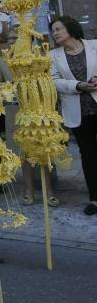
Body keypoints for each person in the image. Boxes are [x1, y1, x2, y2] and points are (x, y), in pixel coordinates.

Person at [0, 27, 57, 207]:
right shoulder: (2, 60)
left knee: (44, 150)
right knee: (24, 152)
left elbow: (49, 82)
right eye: (9, 38)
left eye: (17, 37)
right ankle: (28, 189)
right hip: (16, 110)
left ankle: (49, 190)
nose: (12, 41)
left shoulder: (38, 58)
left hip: (39, 110)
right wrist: (10, 89)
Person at [50, 15, 97, 215]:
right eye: (53, 30)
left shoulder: (94, 45)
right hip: (79, 112)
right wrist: (78, 85)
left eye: (58, 29)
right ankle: (95, 199)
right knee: (88, 155)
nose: (55, 33)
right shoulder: (54, 55)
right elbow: (54, 81)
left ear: (70, 28)